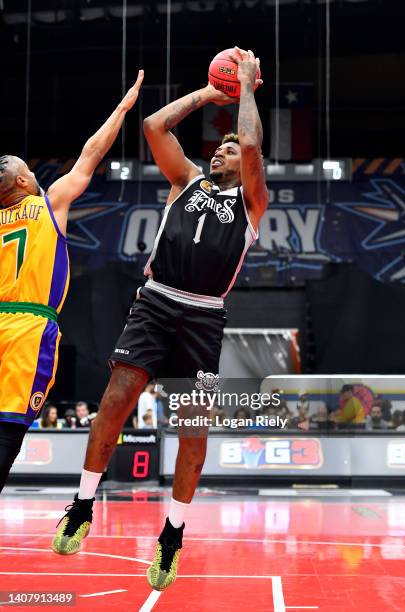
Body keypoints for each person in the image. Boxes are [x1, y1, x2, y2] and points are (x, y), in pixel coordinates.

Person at [52, 47, 267, 592]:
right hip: (155, 301)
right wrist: (210, 94)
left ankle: (172, 535)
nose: (222, 151)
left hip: (203, 320)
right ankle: (82, 504)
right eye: (217, 147)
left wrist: (245, 89)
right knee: (115, 401)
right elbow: (153, 125)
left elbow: (251, 143)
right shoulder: (186, 180)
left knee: (193, 433)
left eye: (229, 149)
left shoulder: (253, 201)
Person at [0, 69, 144, 494]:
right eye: (28, 169)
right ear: (24, 181)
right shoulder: (49, 204)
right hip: (27, 328)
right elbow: (91, 153)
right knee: (9, 427)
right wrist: (122, 108)